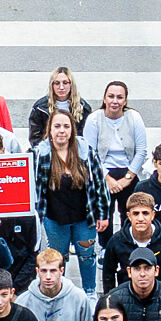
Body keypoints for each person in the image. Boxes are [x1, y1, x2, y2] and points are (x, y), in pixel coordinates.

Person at [34, 108, 110, 295]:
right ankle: (63, 294)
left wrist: (104, 213)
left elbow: (100, 183)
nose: (62, 130)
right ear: (49, 130)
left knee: (87, 257)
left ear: (72, 129)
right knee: (59, 260)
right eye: (57, 126)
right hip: (54, 219)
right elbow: (33, 189)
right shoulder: (39, 154)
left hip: (85, 218)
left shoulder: (85, 151)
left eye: (66, 126)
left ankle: (90, 293)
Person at [83, 81, 147, 246]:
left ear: (125, 101)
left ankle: (130, 243)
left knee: (131, 211)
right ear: (104, 98)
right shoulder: (94, 119)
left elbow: (141, 151)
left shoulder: (134, 117)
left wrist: (128, 178)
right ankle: (106, 247)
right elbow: (89, 153)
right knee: (104, 213)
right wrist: (107, 178)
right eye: (111, 96)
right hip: (102, 172)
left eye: (120, 97)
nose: (115, 101)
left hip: (129, 171)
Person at [0, 131, 40, 292]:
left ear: (3, 150)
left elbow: (33, 254)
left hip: (20, 281)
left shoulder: (22, 184)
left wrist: (17, 290)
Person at [102, 191, 161, 294]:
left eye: (145, 213)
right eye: (136, 213)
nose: (141, 218)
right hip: (126, 298)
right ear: (129, 216)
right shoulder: (116, 241)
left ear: (153, 215)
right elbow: (108, 277)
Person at [28, 66, 92, 146]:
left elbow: (87, 137)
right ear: (52, 85)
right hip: (49, 152)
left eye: (65, 83)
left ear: (71, 85)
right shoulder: (40, 108)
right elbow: (35, 138)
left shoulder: (84, 108)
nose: (61, 87)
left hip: (75, 152)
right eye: (57, 83)